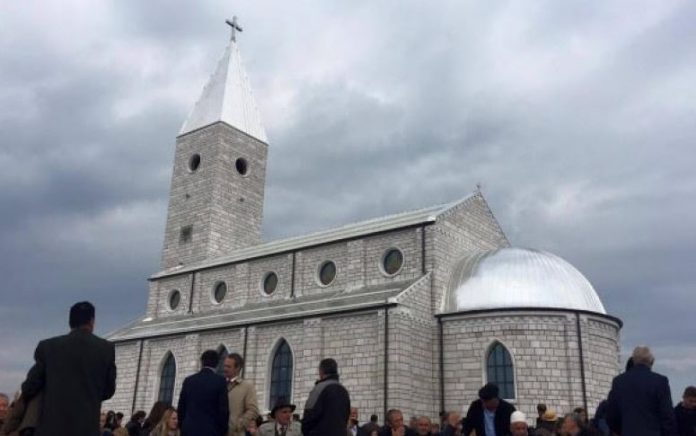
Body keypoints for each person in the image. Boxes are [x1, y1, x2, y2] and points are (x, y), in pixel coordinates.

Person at [21, 301, 117, 436]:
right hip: (86, 429)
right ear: (92, 321)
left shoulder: (48, 347)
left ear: (70, 322)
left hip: (50, 428)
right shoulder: (106, 349)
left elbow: (29, 387)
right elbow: (108, 390)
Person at [606, 346, 678, 436]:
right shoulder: (660, 382)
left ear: (633, 360)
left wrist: (623, 430)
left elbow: (611, 415)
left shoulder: (619, 381)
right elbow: (667, 416)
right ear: (651, 362)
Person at [177, 350, 229, 436]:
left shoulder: (189, 381)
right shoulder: (220, 381)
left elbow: (181, 407)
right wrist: (223, 431)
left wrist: (182, 427)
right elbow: (223, 411)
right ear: (217, 363)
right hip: (211, 431)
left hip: (189, 430)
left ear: (202, 362)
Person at [301, 358, 351, 436]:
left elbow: (309, 416)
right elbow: (346, 417)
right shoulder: (344, 391)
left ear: (321, 371)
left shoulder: (319, 389)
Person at [223, 353, 259, 436]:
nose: (225, 369)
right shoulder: (220, 384)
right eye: (224, 366)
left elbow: (253, 410)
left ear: (238, 368)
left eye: (228, 367)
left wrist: (238, 425)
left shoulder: (247, 387)